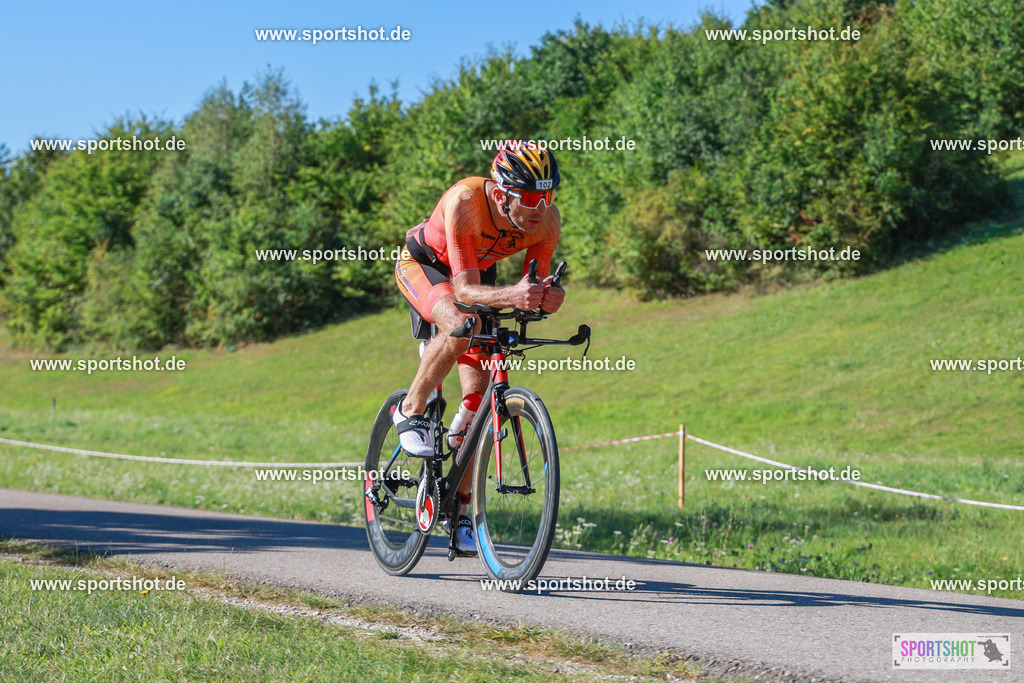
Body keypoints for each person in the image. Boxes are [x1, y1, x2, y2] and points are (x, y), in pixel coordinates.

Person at [393, 141, 565, 553]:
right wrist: (514, 294)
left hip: (475, 273)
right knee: (460, 323)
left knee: (479, 399)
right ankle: (410, 409)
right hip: (425, 265)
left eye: (548, 197)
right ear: (503, 194)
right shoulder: (466, 201)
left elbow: (531, 289)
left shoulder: (547, 222)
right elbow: (464, 291)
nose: (540, 209)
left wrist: (546, 298)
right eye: (530, 199)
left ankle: (460, 508)